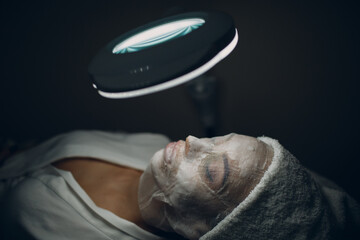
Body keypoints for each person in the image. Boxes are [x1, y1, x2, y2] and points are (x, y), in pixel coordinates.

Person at [0, 130, 359, 239]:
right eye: (220, 139)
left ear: (207, 227)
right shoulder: (153, 145)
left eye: (212, 173)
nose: (192, 141)